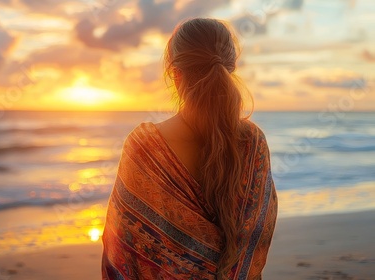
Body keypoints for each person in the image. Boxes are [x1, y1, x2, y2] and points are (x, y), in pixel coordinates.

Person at [101, 18, 278, 280]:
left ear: (175, 73)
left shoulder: (145, 146)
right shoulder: (253, 143)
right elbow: (255, 237)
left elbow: (122, 248)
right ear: (230, 68)